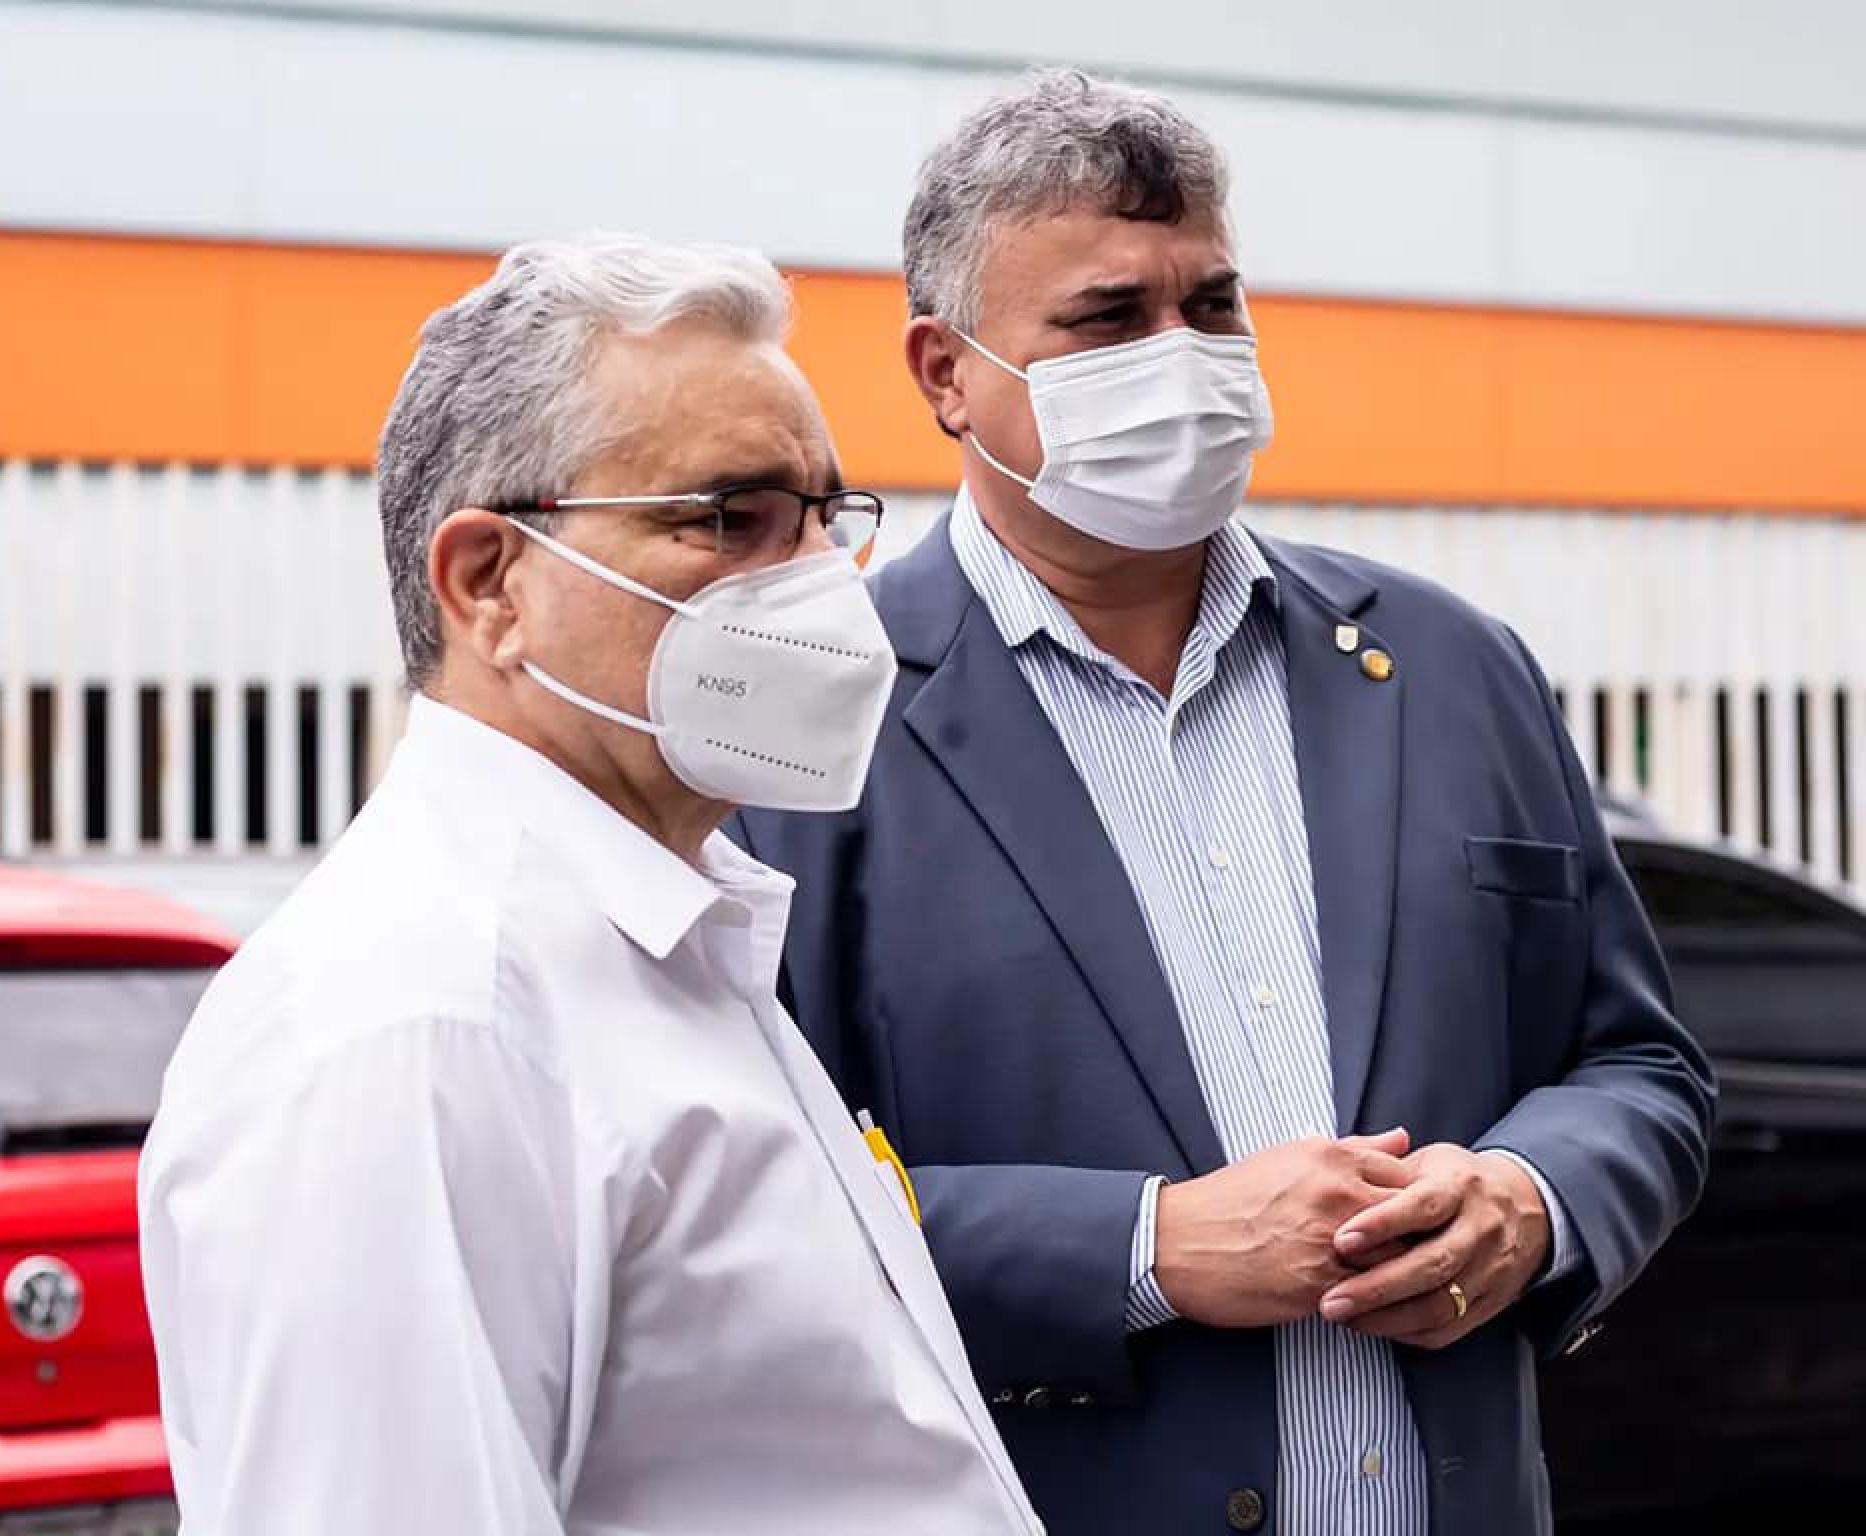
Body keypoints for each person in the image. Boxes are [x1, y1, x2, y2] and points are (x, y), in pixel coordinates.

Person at [733, 71, 1715, 1536]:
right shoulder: (806, 720)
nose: (1181, 355)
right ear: (944, 373)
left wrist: (1535, 1198)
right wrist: (1144, 1249)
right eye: (1109, 318)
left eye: (1215, 304)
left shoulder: (1451, 667)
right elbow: (740, 1210)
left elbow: (1641, 1066)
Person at [138, 234, 1042, 1536]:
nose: (816, 591)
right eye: (730, 520)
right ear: (490, 586)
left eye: (820, 524)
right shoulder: (425, 1023)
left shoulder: (662, 939)